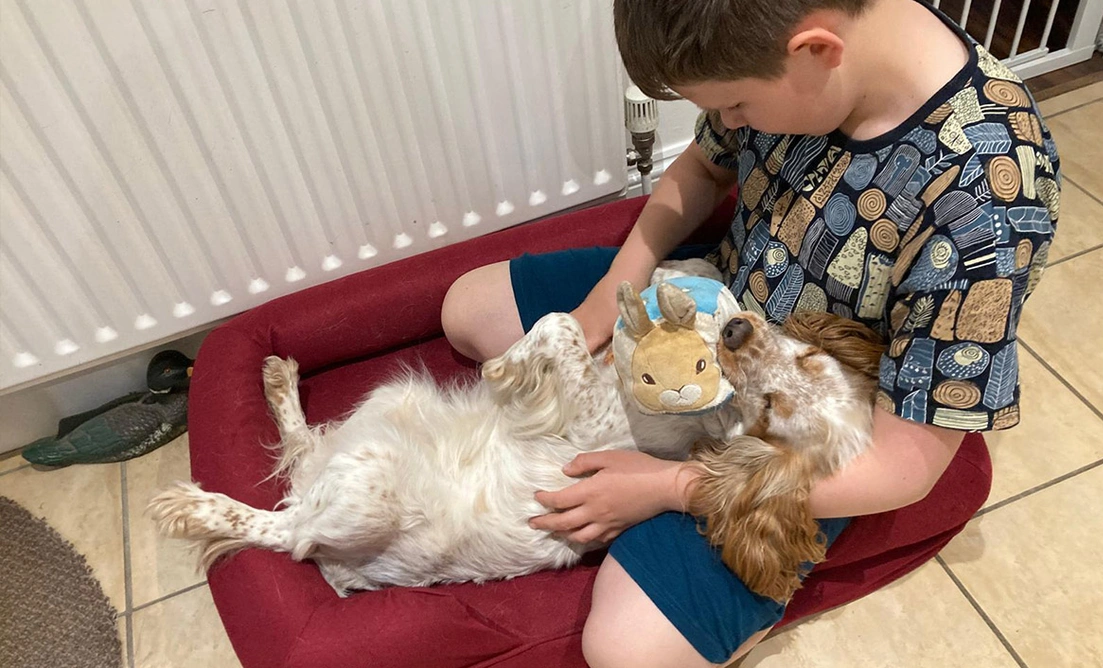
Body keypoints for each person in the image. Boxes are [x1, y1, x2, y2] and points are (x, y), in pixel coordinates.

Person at [441, 0, 1059, 665]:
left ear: (815, 50)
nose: (729, 123)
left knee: (628, 651)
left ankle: (749, 595)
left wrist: (674, 488)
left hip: (807, 424)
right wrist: (604, 299)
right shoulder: (785, 52)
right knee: (469, 312)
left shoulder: (988, 208)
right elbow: (704, 170)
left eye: (736, 107)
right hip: (719, 293)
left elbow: (903, 468)